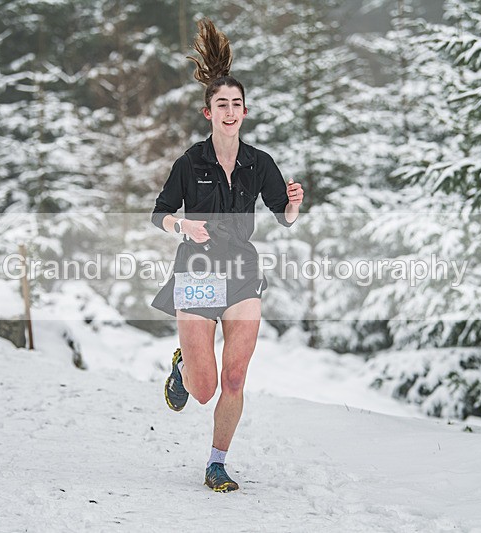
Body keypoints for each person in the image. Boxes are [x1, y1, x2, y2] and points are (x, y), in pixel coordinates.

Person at [150, 18, 304, 493]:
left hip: (241, 271)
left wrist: (294, 206)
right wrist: (183, 225)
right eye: (222, 104)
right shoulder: (190, 162)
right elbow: (159, 214)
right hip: (196, 270)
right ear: (208, 112)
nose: (230, 111)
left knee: (235, 377)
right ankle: (182, 367)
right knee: (204, 389)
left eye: (237, 104)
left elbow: (283, 215)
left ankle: (217, 462)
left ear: (244, 111)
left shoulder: (260, 163)